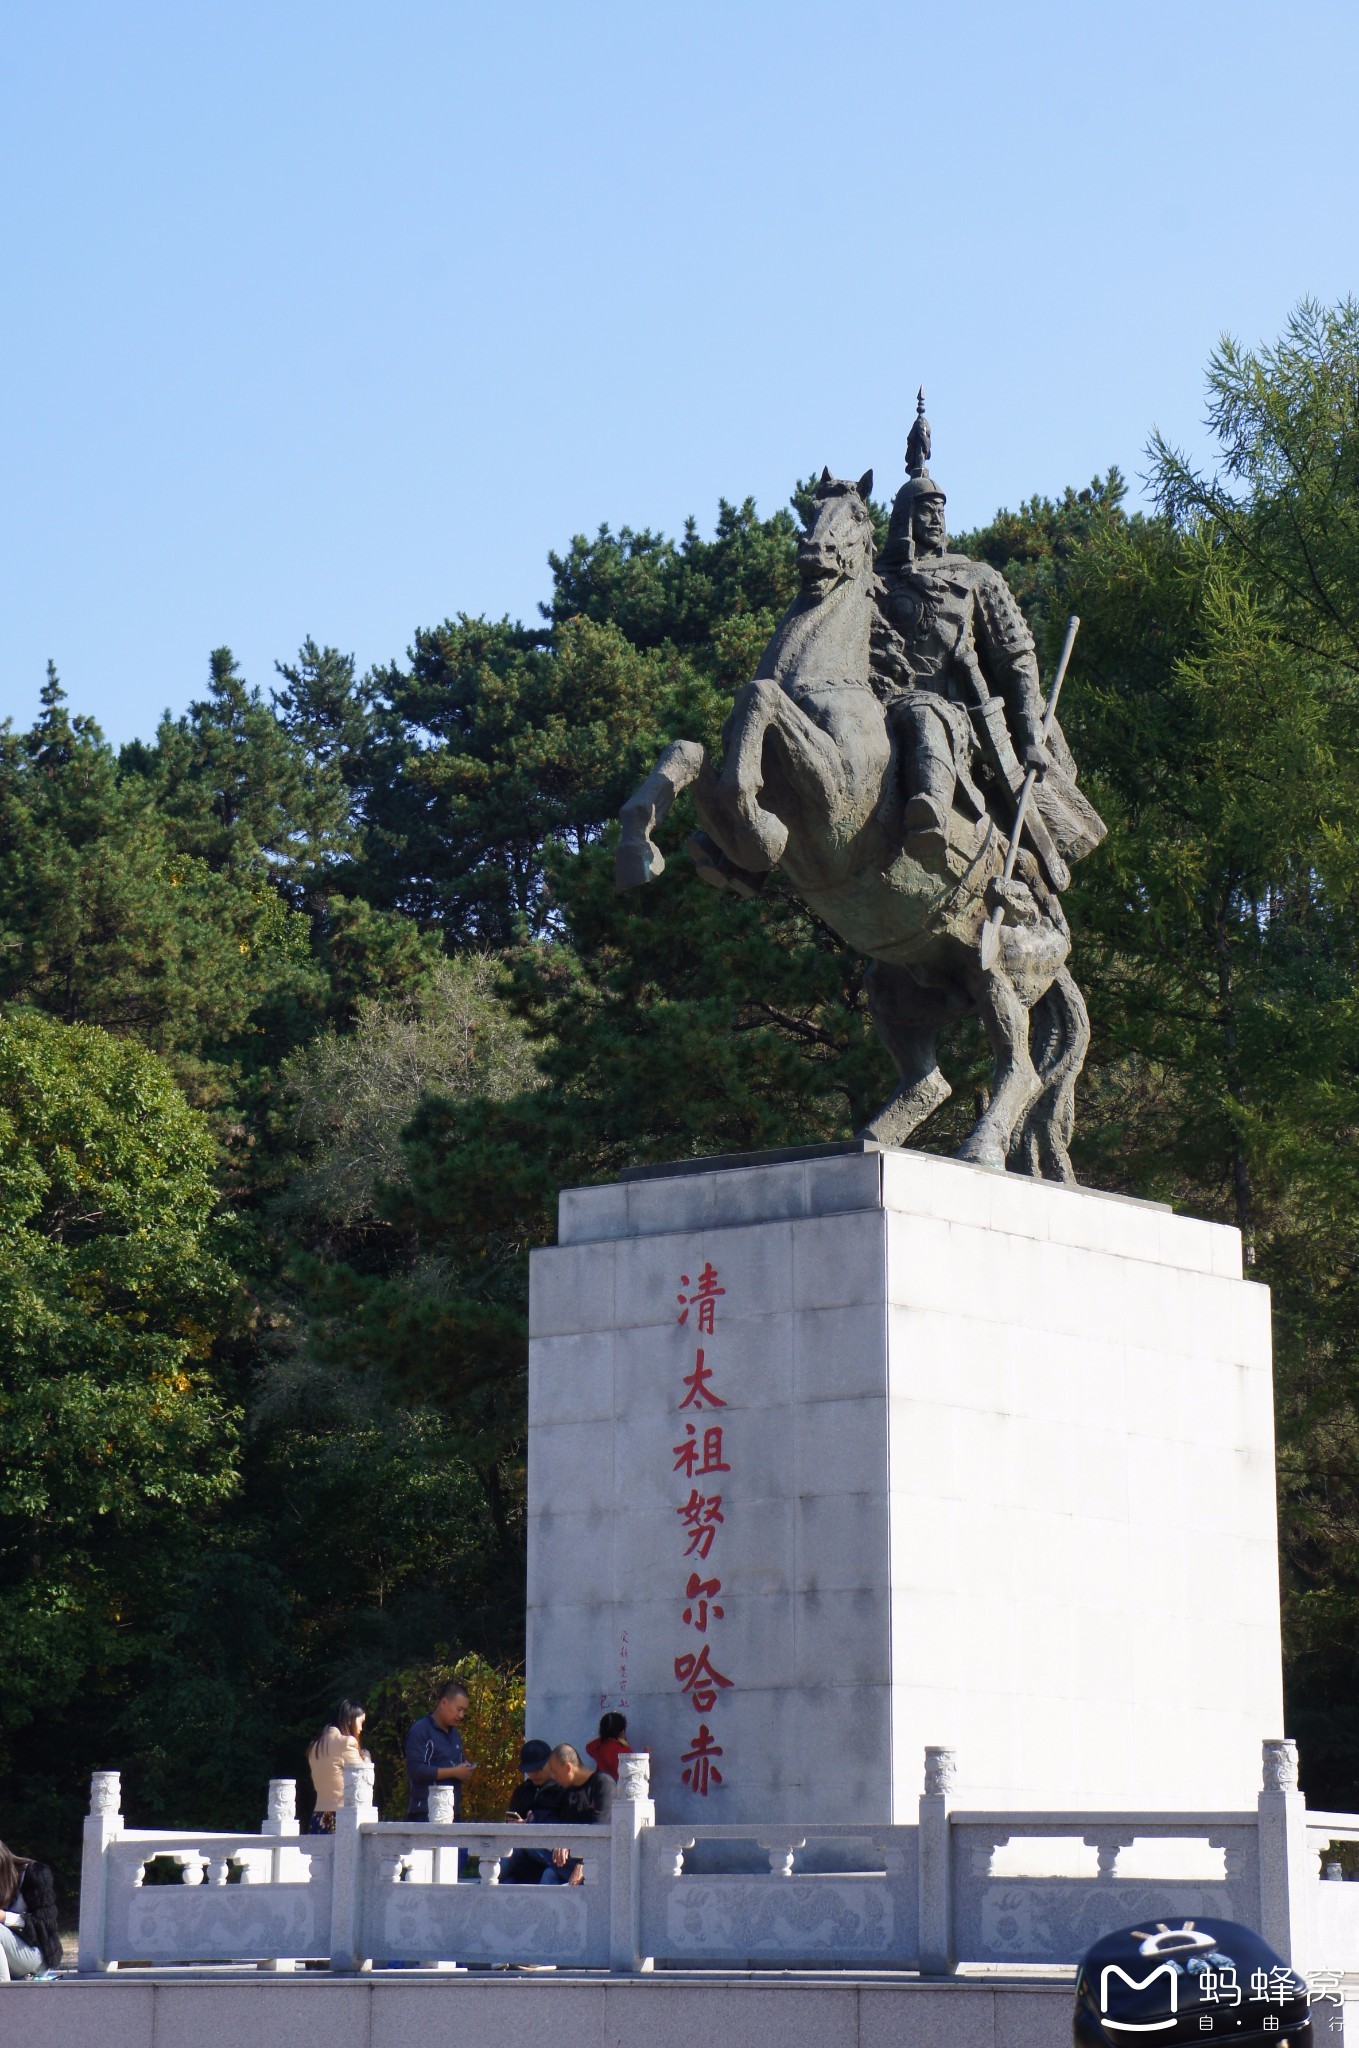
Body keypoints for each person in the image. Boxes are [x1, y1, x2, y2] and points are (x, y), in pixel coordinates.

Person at [873, 390, 1105, 879]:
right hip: (877, 707)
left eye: (940, 508)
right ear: (903, 520)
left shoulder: (976, 576)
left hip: (961, 716)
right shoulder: (874, 583)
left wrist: (1029, 734)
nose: (935, 517)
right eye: (925, 510)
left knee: (928, 720)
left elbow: (1016, 658)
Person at [538, 1742, 614, 1886]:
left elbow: (600, 1830)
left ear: (568, 1767)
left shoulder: (603, 1784)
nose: (552, 1776)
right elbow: (551, 1814)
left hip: (595, 1862)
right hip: (566, 1860)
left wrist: (582, 1863)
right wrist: (560, 1840)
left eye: (554, 1771)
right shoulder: (565, 1789)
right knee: (548, 1873)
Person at [404, 1678, 476, 1821]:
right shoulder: (421, 1730)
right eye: (459, 1709)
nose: (461, 1715)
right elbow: (415, 1770)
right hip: (425, 1811)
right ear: (444, 1703)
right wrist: (454, 1772)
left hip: (452, 1810)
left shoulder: (455, 1734)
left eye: (464, 1711)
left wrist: (464, 1769)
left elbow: (456, 1764)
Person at [499, 1738, 564, 1886]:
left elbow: (567, 1820)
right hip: (523, 1858)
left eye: (538, 1768)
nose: (534, 1774)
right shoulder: (522, 1791)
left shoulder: (563, 1789)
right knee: (506, 1872)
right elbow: (510, 1821)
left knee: (549, 1875)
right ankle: (480, 1890)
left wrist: (533, 1822)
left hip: (552, 1854)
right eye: (529, 1770)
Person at [0, 1839, 61, 1981]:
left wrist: (5, 1917)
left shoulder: (34, 1875)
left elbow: (46, 1924)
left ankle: (3, 1988)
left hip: (36, 1956)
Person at [306, 1699, 368, 1835]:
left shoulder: (314, 1746)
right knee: (346, 1856)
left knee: (319, 1856)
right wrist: (367, 1758)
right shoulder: (346, 1743)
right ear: (350, 1720)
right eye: (360, 1722)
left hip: (318, 1816)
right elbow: (362, 1778)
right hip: (341, 1816)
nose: (361, 1729)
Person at [585, 1711, 632, 1781]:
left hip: (600, 1783)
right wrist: (647, 1754)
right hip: (618, 1787)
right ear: (622, 1731)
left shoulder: (597, 1746)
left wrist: (604, 1735)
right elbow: (634, 1768)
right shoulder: (624, 1750)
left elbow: (588, 1747)